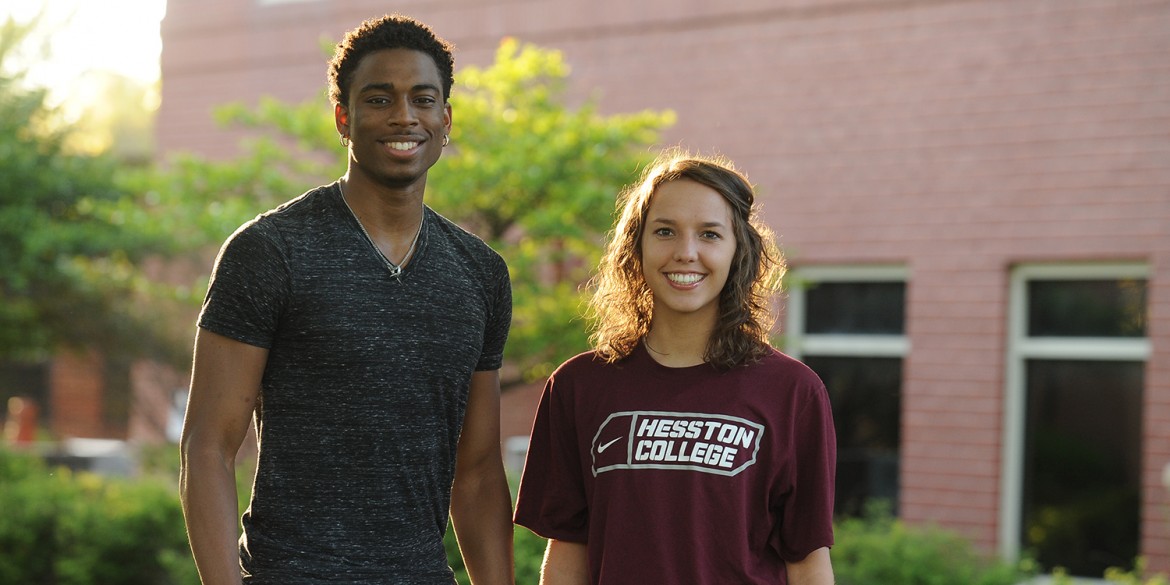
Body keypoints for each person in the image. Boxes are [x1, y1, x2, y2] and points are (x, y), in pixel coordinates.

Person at [179, 14, 514, 585]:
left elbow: (479, 472)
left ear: (445, 119)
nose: (404, 116)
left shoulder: (480, 273)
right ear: (344, 117)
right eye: (379, 99)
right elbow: (208, 448)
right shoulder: (269, 252)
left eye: (422, 99)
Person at [514, 151, 836, 584]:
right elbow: (568, 553)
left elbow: (807, 560)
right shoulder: (578, 386)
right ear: (636, 246)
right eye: (665, 231)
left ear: (738, 249)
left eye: (709, 234)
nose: (686, 253)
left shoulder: (792, 392)